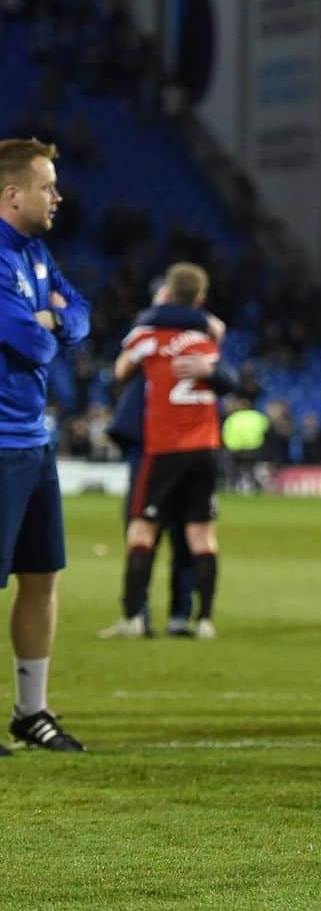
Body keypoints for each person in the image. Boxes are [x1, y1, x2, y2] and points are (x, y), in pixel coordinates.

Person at [0, 137, 89, 753]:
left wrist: (54, 319)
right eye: (46, 186)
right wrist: (48, 324)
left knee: (41, 576)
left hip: (34, 440)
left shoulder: (35, 253)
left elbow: (77, 317)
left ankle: (31, 712)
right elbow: (30, 343)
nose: (56, 196)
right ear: (12, 195)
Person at [100, 263, 224, 641]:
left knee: (141, 529)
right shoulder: (207, 340)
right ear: (200, 298)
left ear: (166, 293)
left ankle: (135, 617)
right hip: (205, 448)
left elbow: (119, 372)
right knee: (201, 535)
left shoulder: (146, 335)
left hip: (163, 446)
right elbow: (225, 374)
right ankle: (201, 621)